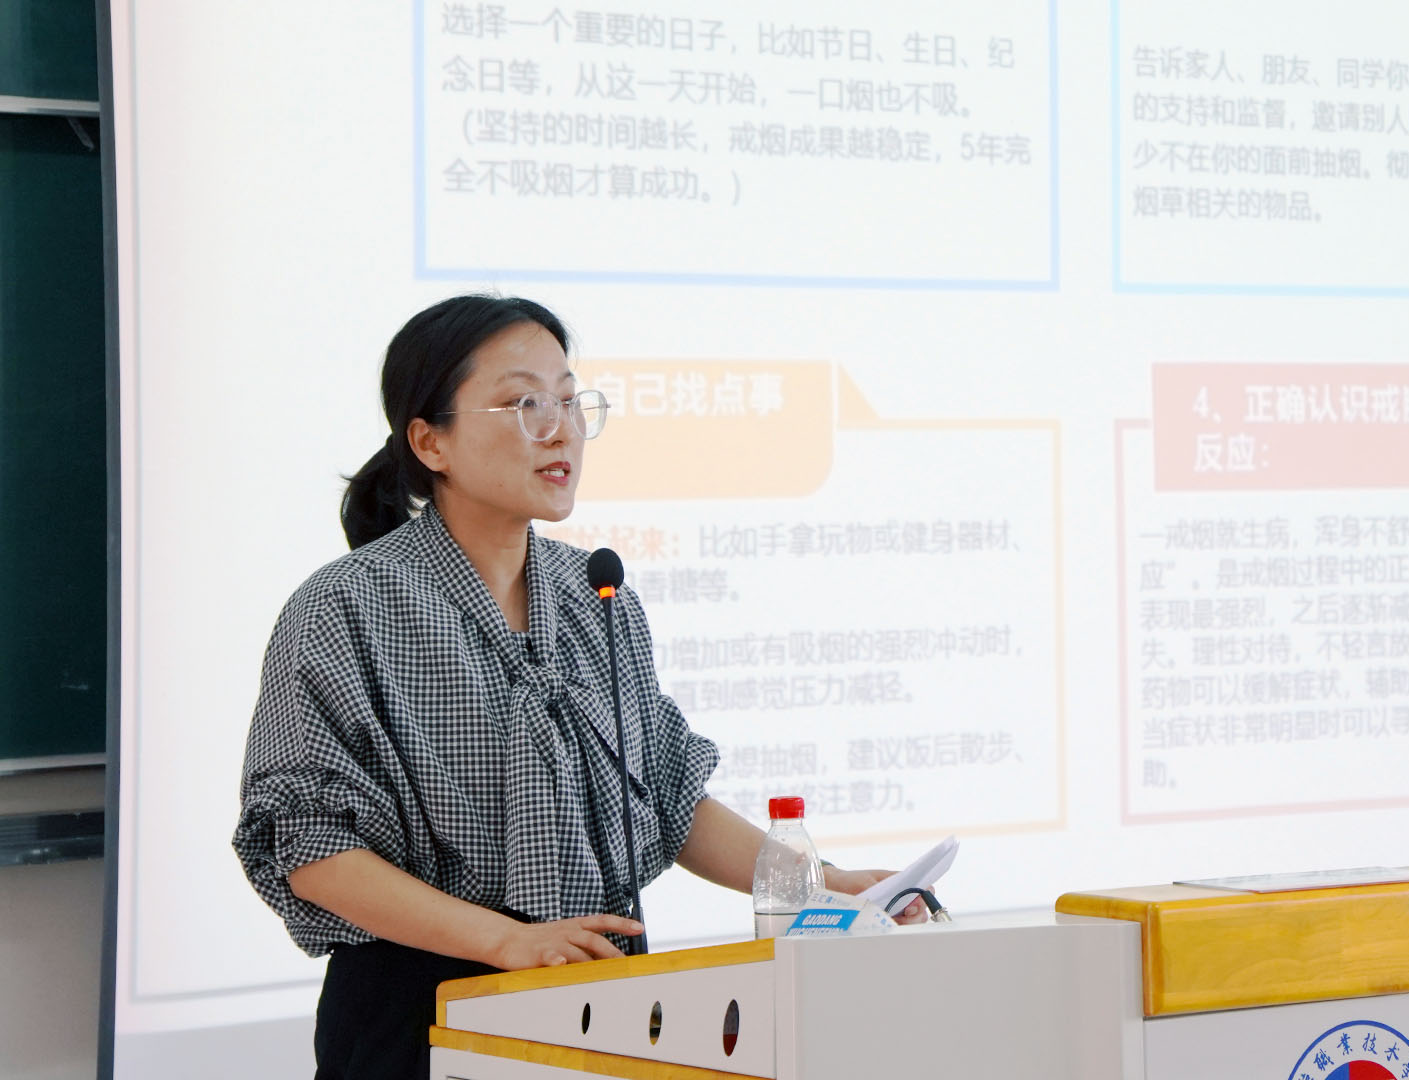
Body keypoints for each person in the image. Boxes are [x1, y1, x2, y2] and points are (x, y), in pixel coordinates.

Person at [233, 295, 913, 1079]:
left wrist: (822, 887)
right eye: (526, 404)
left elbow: (668, 796)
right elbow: (313, 848)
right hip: (420, 1006)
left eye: (569, 401)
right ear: (429, 441)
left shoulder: (596, 593)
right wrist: (505, 941)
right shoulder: (346, 606)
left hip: (603, 991)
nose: (560, 430)